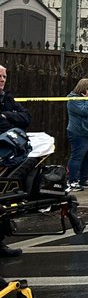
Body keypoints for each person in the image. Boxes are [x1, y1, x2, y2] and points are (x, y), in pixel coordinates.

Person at [0, 66, 31, 259]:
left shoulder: (7, 98)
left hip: (8, 155)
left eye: (4, 76)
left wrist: (7, 115)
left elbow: (26, 118)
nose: (2, 79)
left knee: (4, 201)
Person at [65, 77, 88, 192]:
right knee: (77, 157)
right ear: (87, 88)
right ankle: (72, 181)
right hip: (80, 133)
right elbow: (85, 111)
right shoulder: (74, 100)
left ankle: (83, 180)